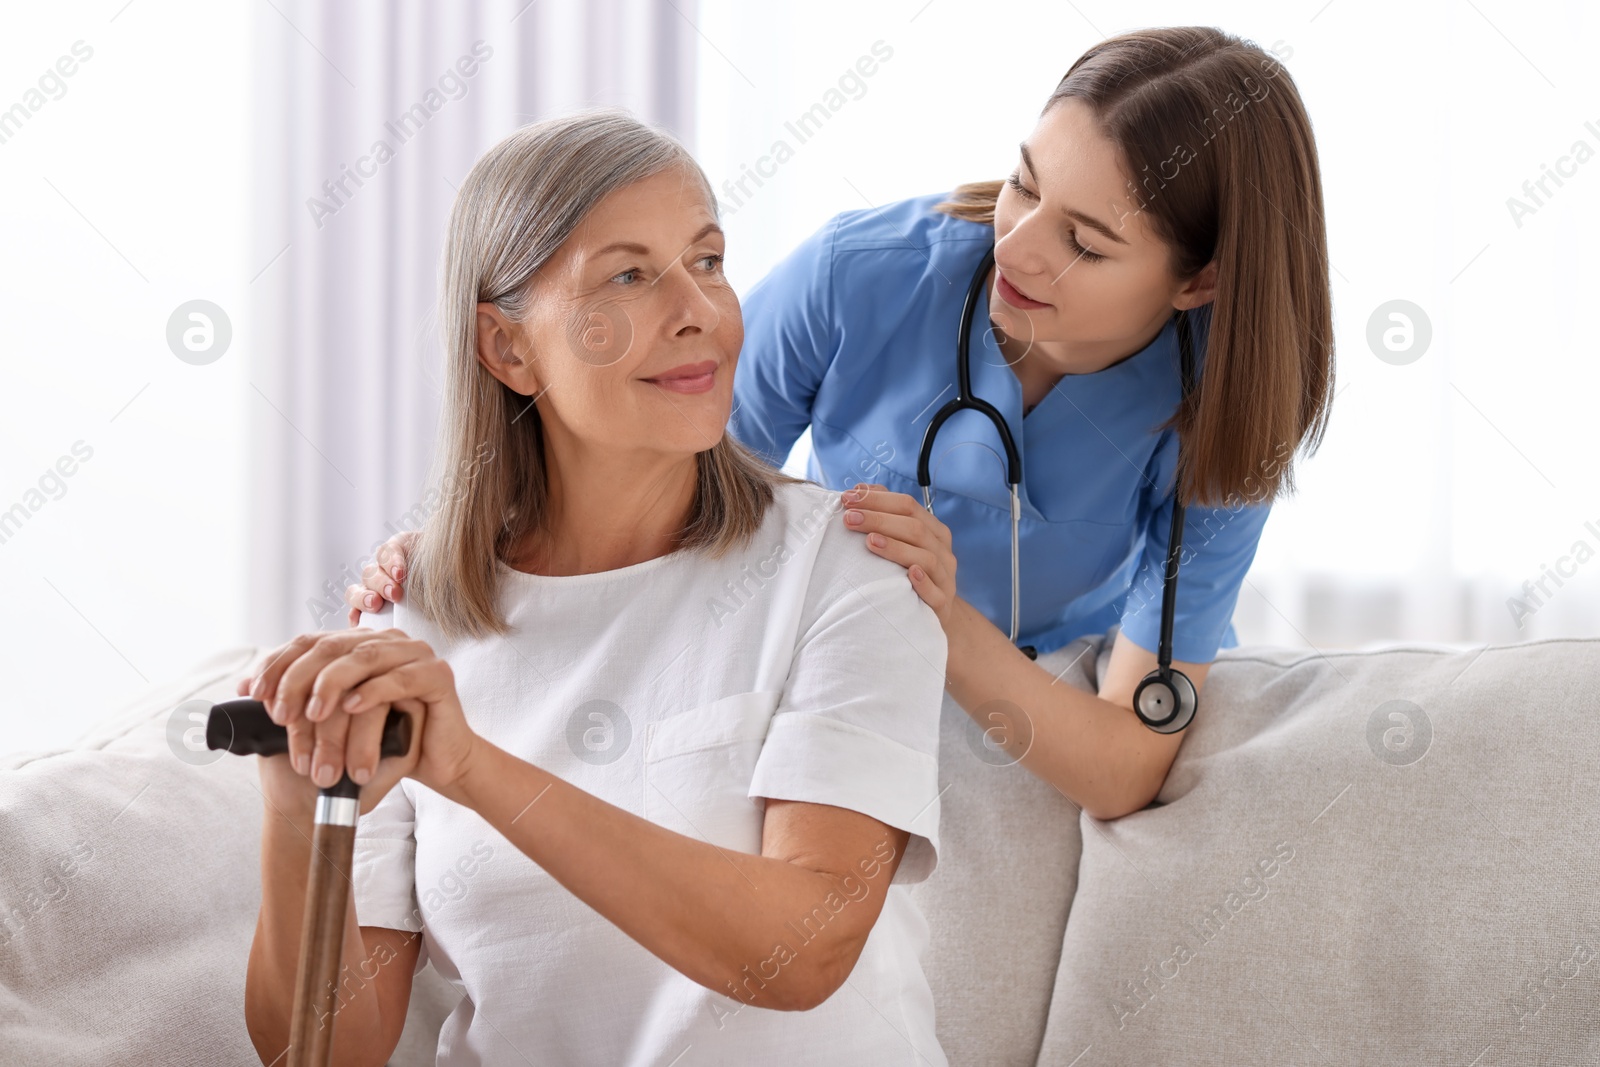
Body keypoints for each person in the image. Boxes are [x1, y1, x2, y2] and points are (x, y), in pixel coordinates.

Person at [347, 26, 1336, 822]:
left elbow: (1124, 763)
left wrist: (936, 611)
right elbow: (654, 482)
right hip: (833, 676)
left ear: (1199, 280)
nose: (1020, 250)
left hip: (1050, 708)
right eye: (1026, 184)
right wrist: (475, 556)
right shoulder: (864, 276)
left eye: (1084, 241)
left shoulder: (1225, 408)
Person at [239, 109, 950, 1066]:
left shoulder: (850, 565)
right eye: (627, 275)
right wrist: (300, 816)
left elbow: (806, 946)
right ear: (508, 348)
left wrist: (473, 769)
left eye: (707, 259)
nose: (698, 308)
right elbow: (324, 1051)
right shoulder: (414, 617)